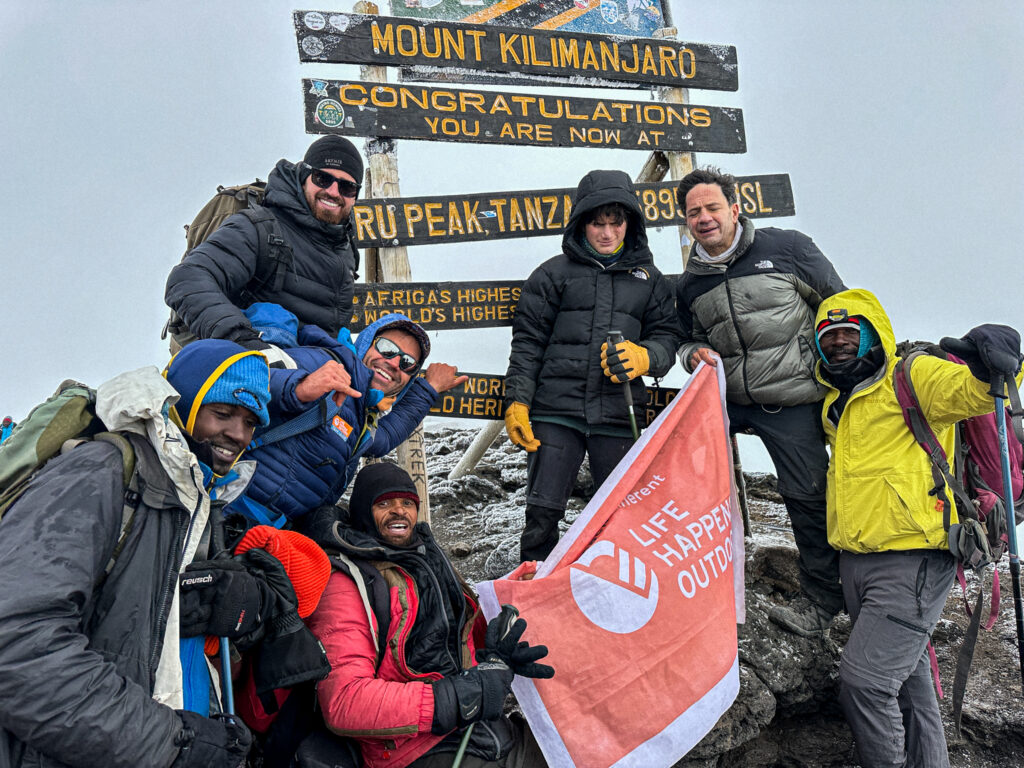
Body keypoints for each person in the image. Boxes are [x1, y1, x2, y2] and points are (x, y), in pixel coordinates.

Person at [0, 340, 272, 767]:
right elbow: (17, 643)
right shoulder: (102, 470)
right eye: (222, 413)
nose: (237, 434)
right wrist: (171, 744)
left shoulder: (191, 499)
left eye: (251, 422)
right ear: (183, 403)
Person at [813, 288, 1022, 767]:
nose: (840, 343)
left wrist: (997, 357)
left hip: (914, 561)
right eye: (829, 336)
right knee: (910, 684)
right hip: (856, 564)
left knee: (865, 683)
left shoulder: (911, 375)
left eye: (850, 332)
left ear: (874, 335)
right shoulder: (835, 404)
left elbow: (972, 392)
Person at [675, 166, 846, 635]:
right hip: (728, 403)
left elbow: (842, 307)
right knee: (686, 487)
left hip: (794, 399)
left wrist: (843, 371)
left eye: (712, 208)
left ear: (734, 208)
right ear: (686, 222)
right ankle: (692, 588)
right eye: (694, 213)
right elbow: (686, 340)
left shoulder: (787, 248)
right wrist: (692, 355)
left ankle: (824, 599)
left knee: (808, 499)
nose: (704, 218)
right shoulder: (690, 281)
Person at [305, 462, 553, 768]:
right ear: (363, 513)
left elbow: (454, 636)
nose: (399, 512)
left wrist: (498, 651)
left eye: (407, 503)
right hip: (408, 749)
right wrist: (463, 694)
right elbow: (345, 702)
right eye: (385, 504)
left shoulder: (424, 558)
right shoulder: (347, 584)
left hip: (471, 726)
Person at [503, 169, 682, 562]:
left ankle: (612, 602)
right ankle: (531, 601)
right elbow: (528, 343)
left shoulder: (651, 280)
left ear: (629, 224)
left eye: (615, 223)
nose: (606, 233)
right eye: (596, 223)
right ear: (580, 223)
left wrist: (645, 357)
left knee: (619, 517)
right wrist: (516, 401)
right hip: (555, 413)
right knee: (542, 512)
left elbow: (668, 339)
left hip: (619, 415)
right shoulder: (551, 274)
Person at [230, 308, 468, 525]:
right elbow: (248, 377)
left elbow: (382, 439)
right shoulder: (326, 363)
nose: (394, 362)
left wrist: (429, 389)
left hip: (278, 530)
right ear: (366, 343)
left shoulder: (362, 411)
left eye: (407, 363)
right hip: (230, 511)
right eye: (386, 348)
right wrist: (298, 388)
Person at [165, 135, 364, 349]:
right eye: (322, 179)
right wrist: (243, 341)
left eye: (347, 187)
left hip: (311, 369)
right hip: (252, 368)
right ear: (304, 176)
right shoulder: (260, 227)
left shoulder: (345, 250)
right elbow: (187, 278)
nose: (333, 192)